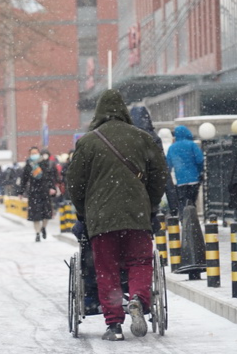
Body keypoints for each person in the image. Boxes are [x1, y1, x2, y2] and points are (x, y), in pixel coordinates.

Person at [66, 89, 168, 341]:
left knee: (106, 269)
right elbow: (159, 176)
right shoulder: (142, 138)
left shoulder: (87, 142)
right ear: (123, 110)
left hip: (101, 219)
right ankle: (137, 299)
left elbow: (74, 184)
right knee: (140, 262)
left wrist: (83, 213)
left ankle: (114, 325)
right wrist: (151, 205)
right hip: (137, 215)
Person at [130, 106, 179, 217]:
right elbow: (163, 170)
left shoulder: (126, 137)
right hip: (150, 186)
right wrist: (173, 206)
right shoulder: (153, 137)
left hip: (132, 187)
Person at [18, 146, 57, 242]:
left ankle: (43, 227)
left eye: (36, 152)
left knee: (46, 214)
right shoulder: (28, 165)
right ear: (29, 154)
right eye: (32, 153)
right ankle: (37, 233)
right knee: (35, 215)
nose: (34, 154)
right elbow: (24, 180)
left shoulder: (44, 163)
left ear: (39, 153)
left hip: (44, 191)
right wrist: (21, 192)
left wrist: (52, 187)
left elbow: (50, 177)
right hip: (33, 192)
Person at [166, 125, 204, 217]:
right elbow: (200, 159)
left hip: (180, 180)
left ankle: (184, 220)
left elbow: (168, 164)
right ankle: (193, 219)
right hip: (194, 178)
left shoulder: (172, 148)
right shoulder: (192, 145)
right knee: (192, 201)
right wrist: (200, 171)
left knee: (182, 202)